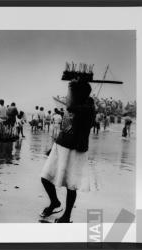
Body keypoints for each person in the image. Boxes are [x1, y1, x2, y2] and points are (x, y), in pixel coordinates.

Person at [40, 79, 95, 223]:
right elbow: (65, 128)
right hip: (61, 146)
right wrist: (53, 146)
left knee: (71, 185)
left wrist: (73, 106)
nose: (67, 96)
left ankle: (67, 216)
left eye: (70, 93)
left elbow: (85, 112)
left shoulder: (87, 108)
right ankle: (55, 202)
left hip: (75, 151)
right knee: (45, 178)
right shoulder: (71, 107)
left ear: (78, 95)